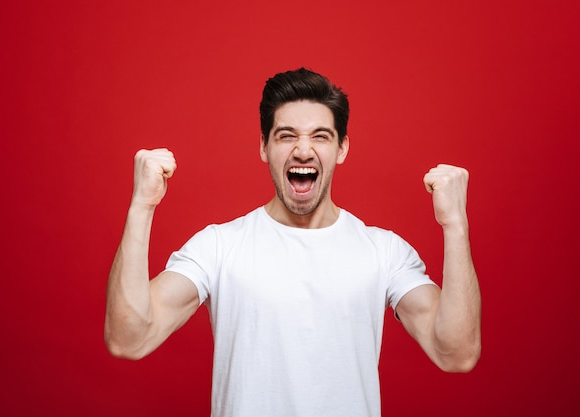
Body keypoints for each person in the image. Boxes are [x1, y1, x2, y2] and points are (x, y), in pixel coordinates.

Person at [104, 68, 481, 417]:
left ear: (342, 149)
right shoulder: (218, 247)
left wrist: (455, 225)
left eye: (321, 136)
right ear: (265, 148)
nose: (303, 150)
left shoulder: (384, 252)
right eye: (286, 136)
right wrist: (142, 206)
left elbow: (457, 353)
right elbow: (129, 338)